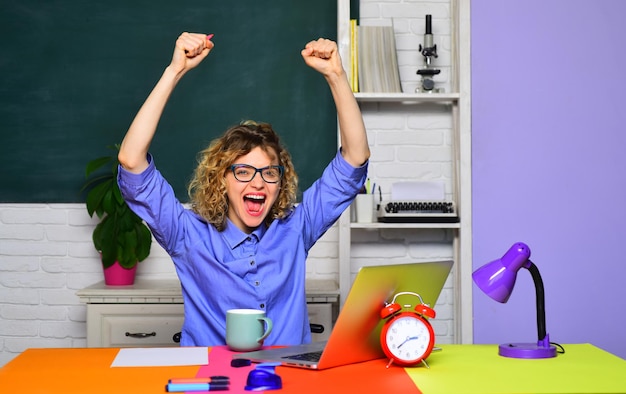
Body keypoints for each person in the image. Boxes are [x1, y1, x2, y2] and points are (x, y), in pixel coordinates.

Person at [117, 32, 370, 347]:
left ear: (282, 180)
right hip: (212, 379)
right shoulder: (186, 234)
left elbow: (355, 159)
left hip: (288, 378)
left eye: (269, 173)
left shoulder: (296, 228)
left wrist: (336, 75)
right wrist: (175, 71)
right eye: (244, 171)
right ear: (221, 178)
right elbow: (131, 161)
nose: (258, 182)